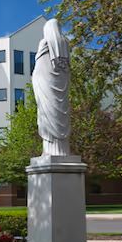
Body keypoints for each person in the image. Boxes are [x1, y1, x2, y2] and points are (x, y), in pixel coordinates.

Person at [31, 18, 72, 156]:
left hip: (47, 90)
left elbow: (39, 71)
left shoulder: (44, 43)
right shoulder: (65, 45)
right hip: (62, 92)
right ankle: (62, 151)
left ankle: (50, 151)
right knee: (59, 116)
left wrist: (35, 81)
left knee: (48, 115)